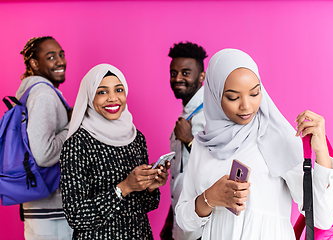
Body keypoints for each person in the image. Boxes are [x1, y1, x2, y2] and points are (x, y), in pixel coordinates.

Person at [175, 49, 333, 240]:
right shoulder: (203, 145)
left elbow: (322, 217)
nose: (246, 106)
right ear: (214, 94)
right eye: (233, 97)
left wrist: (321, 152)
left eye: (255, 93)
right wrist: (210, 198)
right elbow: (184, 219)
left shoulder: (276, 137)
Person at [60, 63, 169, 239]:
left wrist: (150, 187)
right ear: (90, 97)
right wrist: (124, 188)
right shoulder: (77, 144)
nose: (113, 98)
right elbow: (76, 216)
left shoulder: (135, 137)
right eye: (102, 92)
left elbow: (145, 206)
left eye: (118, 90)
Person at [16, 36, 73, 239]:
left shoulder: (35, 93)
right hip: (51, 213)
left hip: (43, 209)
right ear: (34, 63)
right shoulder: (44, 95)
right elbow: (42, 154)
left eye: (61, 54)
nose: (60, 61)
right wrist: (72, 126)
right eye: (50, 57)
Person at [160, 42, 207, 240]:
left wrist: (189, 140)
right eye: (174, 73)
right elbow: (181, 174)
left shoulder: (211, 115)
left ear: (201, 77)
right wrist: (170, 219)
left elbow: (218, 165)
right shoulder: (186, 114)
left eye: (186, 72)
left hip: (202, 227)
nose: (178, 78)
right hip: (181, 223)